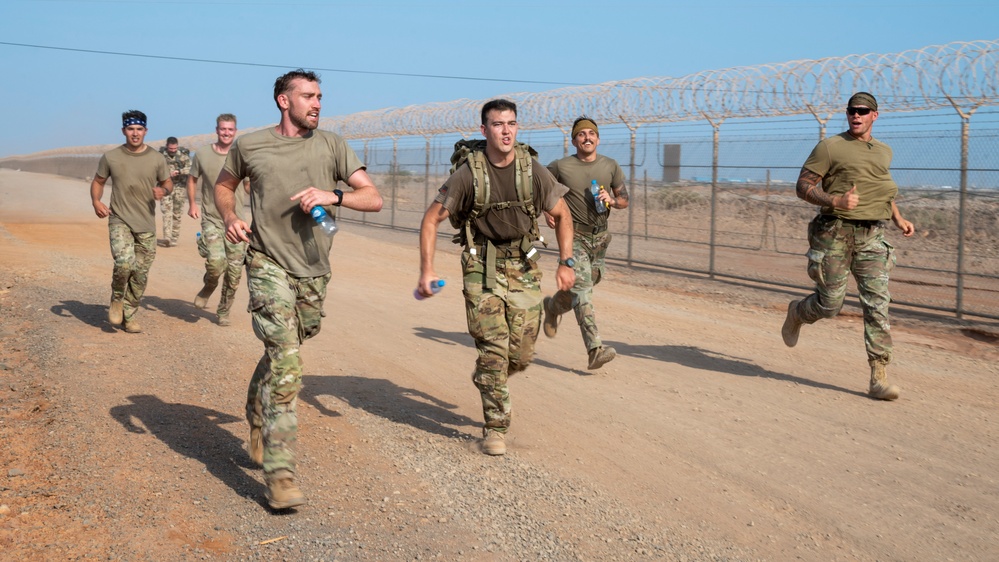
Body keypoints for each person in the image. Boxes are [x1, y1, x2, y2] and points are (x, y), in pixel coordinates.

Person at [214, 69, 383, 510]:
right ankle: (281, 474)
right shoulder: (251, 145)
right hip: (266, 263)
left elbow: (373, 198)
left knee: (287, 348)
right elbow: (224, 185)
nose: (318, 103)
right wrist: (231, 216)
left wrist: (334, 196)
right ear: (283, 101)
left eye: (320, 96)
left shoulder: (332, 145)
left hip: (314, 271)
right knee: (288, 362)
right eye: (308, 95)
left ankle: (256, 410)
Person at [417, 99, 576, 457]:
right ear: (484, 129)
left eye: (511, 124)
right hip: (481, 267)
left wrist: (566, 261)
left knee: (520, 354)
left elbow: (563, 214)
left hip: (523, 266)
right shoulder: (468, 175)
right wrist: (427, 270)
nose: (506, 131)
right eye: (498, 124)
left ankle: (491, 375)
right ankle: (496, 426)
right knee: (492, 350)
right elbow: (431, 220)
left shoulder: (533, 171)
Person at [781, 92, 916, 401]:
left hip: (872, 236)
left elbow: (881, 190)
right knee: (830, 305)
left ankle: (878, 376)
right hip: (835, 233)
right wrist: (835, 200)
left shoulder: (883, 151)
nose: (856, 115)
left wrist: (898, 218)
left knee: (877, 304)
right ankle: (798, 313)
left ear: (874, 116)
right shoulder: (830, 147)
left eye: (863, 111)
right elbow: (803, 186)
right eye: (852, 110)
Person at [542, 117, 630, 370]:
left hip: (600, 238)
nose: (587, 137)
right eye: (581, 134)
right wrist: (546, 210)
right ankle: (594, 349)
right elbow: (540, 188)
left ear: (598, 139)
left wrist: (612, 200)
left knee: (585, 284)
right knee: (582, 289)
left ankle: (552, 307)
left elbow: (624, 199)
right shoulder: (560, 166)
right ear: (574, 141)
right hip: (575, 236)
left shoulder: (610, 166)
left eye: (591, 134)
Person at [90, 110, 173, 333]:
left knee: (140, 274)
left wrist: (164, 191)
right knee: (124, 263)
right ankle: (117, 298)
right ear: (123, 131)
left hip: (146, 224)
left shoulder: (157, 158)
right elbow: (98, 181)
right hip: (119, 218)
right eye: (130, 129)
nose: (135, 133)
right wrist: (96, 201)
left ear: (145, 131)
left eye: (139, 129)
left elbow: (168, 182)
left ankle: (130, 313)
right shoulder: (111, 157)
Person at [187, 114, 250, 326]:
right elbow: (192, 179)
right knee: (215, 263)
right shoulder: (203, 154)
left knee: (234, 272)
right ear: (217, 130)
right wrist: (192, 204)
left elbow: (248, 186)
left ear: (235, 131)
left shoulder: (241, 156)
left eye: (230, 129)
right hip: (212, 219)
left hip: (236, 221)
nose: (226, 133)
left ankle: (223, 311)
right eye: (223, 129)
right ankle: (209, 285)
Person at [159, 137, 192, 247]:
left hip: (179, 187)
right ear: (167, 146)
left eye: (175, 148)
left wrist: (179, 171)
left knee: (177, 214)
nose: (173, 150)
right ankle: (167, 237)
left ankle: (174, 237)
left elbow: (191, 168)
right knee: (166, 212)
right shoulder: (160, 156)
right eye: (171, 148)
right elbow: (154, 169)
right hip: (165, 187)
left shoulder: (183, 155)